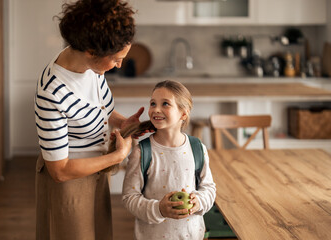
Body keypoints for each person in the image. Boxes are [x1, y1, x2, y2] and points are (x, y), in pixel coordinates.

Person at [34, 0, 144, 239]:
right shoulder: (52, 92)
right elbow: (59, 171)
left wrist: (121, 122)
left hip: (96, 170)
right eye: (116, 58)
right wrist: (117, 156)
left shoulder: (91, 68)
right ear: (92, 52)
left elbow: (99, 109)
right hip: (69, 182)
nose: (120, 64)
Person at [122, 80, 217, 240]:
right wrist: (159, 209)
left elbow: (209, 188)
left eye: (165, 104)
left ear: (183, 113)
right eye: (153, 103)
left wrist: (198, 202)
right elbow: (130, 197)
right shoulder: (142, 152)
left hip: (192, 236)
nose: (156, 109)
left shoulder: (197, 148)